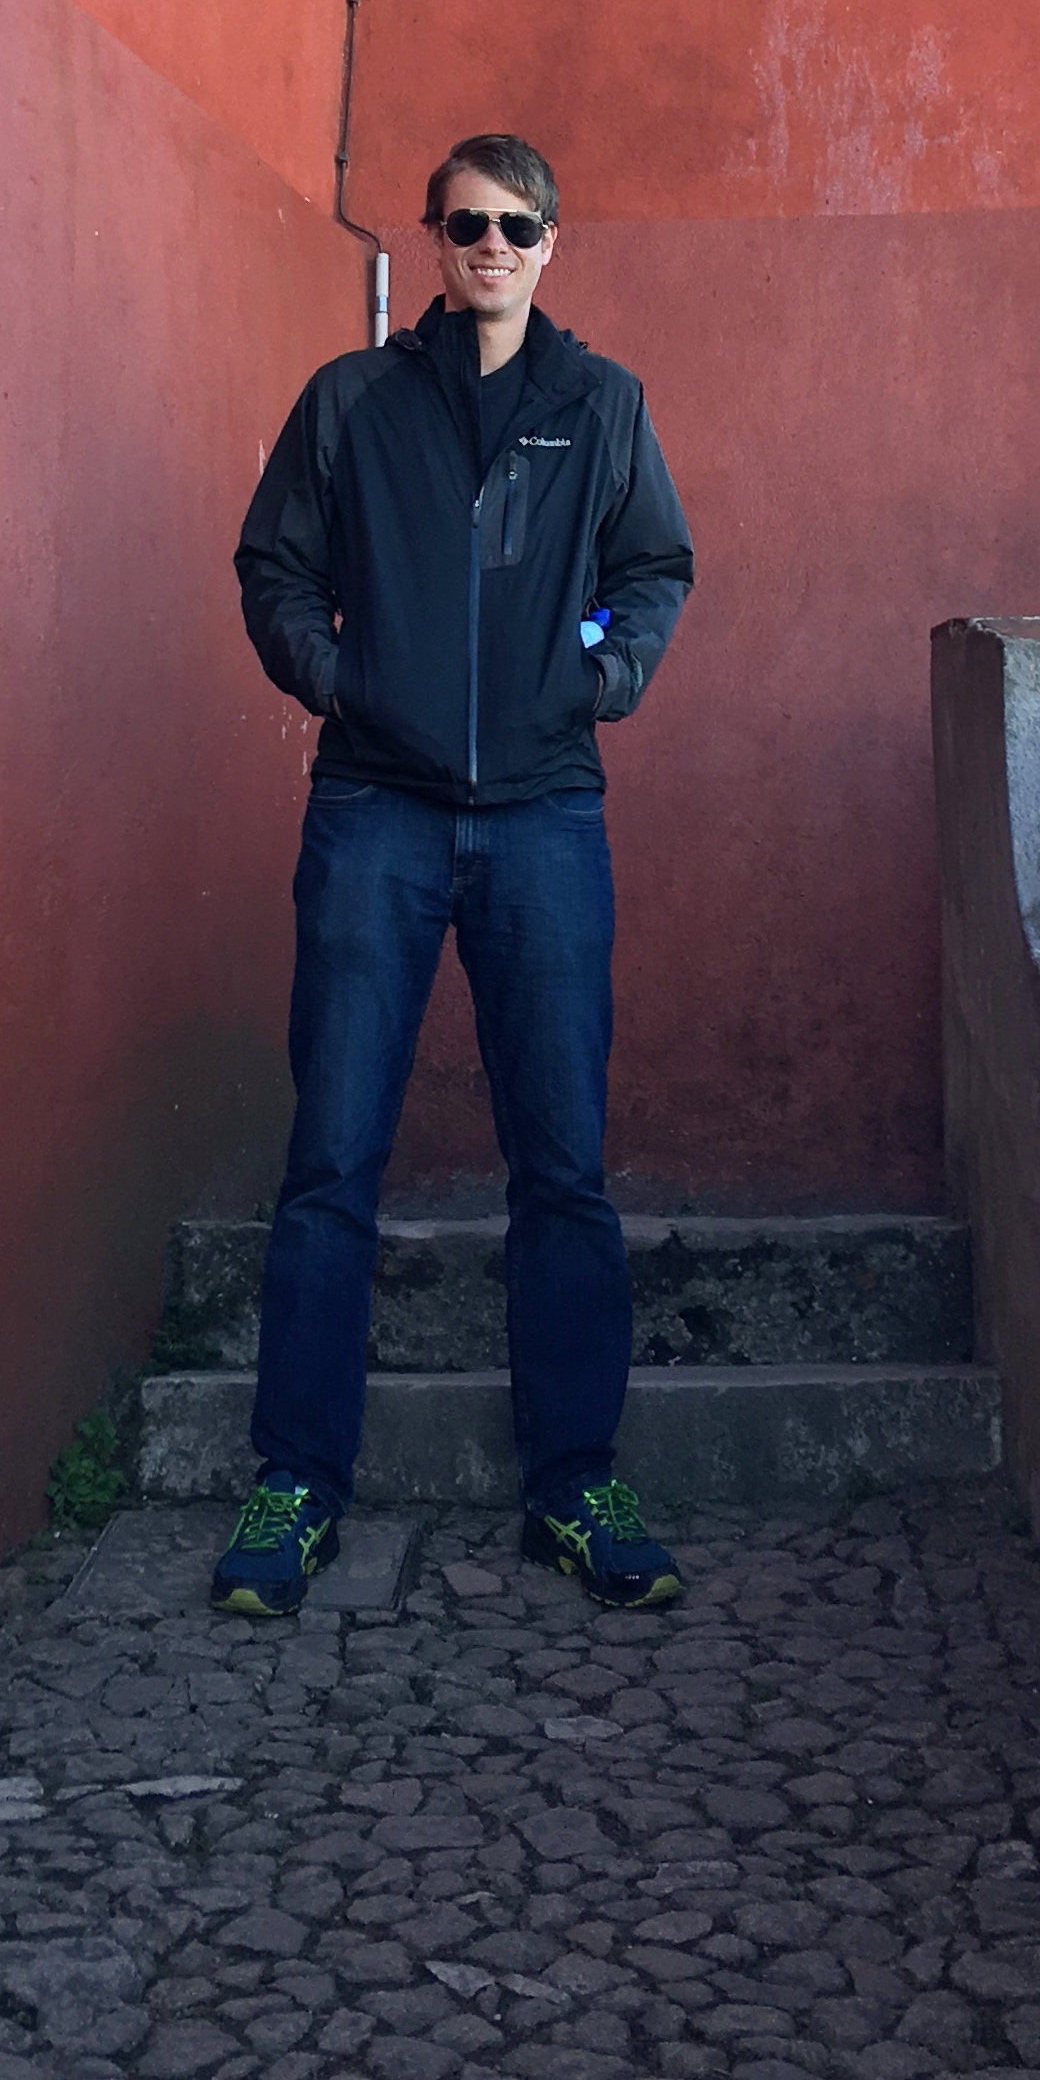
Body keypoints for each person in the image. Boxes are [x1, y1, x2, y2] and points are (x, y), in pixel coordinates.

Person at [220, 132, 695, 1617]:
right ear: (431, 241)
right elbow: (274, 568)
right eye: (464, 224)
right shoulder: (352, 401)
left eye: (516, 224)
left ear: (552, 241)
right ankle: (297, 1484)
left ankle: (574, 1480)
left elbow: (656, 569)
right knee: (331, 1163)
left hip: (546, 815)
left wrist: (595, 677)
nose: (489, 245)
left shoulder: (598, 405)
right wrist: (342, 681)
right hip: (377, 810)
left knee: (560, 1166)